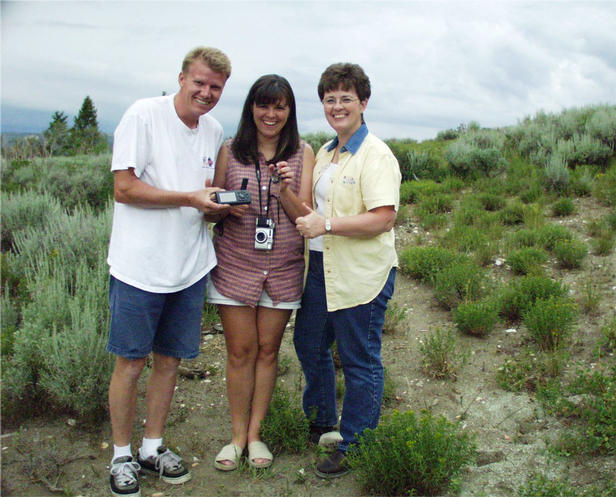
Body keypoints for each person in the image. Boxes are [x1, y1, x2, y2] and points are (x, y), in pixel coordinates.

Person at [106, 46, 232, 497]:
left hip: (189, 268)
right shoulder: (143, 115)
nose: (206, 93)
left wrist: (215, 208)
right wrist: (189, 198)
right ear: (181, 78)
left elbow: (205, 200)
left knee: (169, 362)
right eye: (199, 82)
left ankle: (151, 446)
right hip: (140, 268)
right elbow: (124, 188)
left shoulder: (214, 129)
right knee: (130, 363)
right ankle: (121, 454)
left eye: (216, 87)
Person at [294, 63, 401, 478]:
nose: (337, 106)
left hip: (362, 273)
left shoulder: (375, 154)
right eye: (329, 99)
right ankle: (323, 421)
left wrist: (329, 225)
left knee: (359, 360)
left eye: (346, 98)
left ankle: (356, 444)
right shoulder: (326, 152)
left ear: (363, 102)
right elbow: (310, 213)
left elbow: (383, 218)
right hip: (322, 267)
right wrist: (286, 187)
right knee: (309, 343)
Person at [207, 74, 315, 471]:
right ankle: (235, 437)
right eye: (264, 105)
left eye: (280, 106)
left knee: (268, 351)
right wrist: (219, 206)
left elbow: (306, 218)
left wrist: (285, 189)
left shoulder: (303, 153)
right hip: (235, 262)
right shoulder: (231, 150)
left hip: (283, 266)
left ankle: (255, 436)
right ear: (251, 107)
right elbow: (208, 206)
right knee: (239, 352)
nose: (271, 114)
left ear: (290, 111)